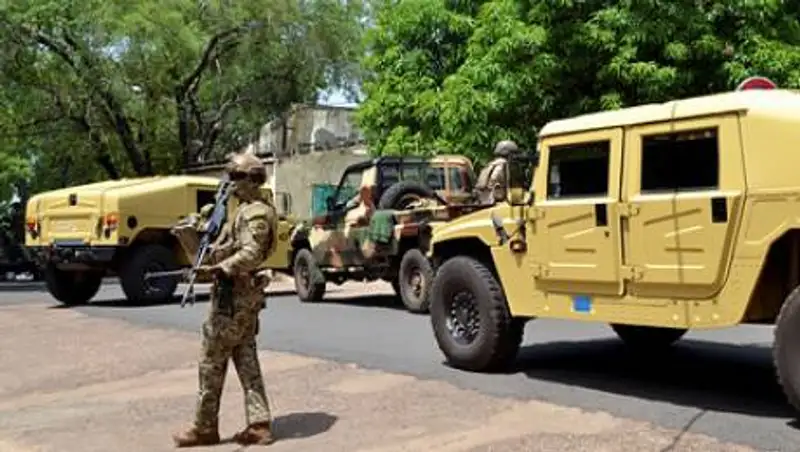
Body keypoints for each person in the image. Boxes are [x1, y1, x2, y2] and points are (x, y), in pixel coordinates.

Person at [172, 152, 278, 448]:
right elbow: (229, 247)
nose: (230, 184)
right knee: (246, 360)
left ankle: (205, 427)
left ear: (251, 180)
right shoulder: (242, 210)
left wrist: (222, 268)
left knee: (211, 360)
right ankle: (259, 424)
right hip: (240, 297)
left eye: (236, 178)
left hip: (236, 298)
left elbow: (251, 253)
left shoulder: (255, 213)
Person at [473, 139, 518, 204]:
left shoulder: (492, 164)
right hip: (493, 199)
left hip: (484, 198)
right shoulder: (502, 164)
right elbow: (494, 179)